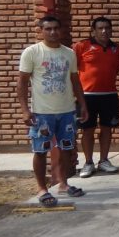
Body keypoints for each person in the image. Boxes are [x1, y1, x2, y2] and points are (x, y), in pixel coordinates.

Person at [18, 16, 89, 207]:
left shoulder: (69, 53)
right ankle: (42, 188)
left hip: (66, 111)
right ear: (41, 30)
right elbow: (22, 83)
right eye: (48, 29)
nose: (53, 32)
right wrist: (25, 110)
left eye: (56, 28)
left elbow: (75, 81)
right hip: (42, 114)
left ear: (61, 30)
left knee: (67, 148)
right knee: (40, 151)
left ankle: (63, 183)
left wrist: (82, 105)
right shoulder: (32, 52)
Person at [74, 16, 119, 178]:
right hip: (86, 96)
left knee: (107, 129)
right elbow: (72, 71)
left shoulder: (116, 48)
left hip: (109, 95)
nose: (104, 31)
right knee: (87, 130)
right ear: (93, 31)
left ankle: (104, 161)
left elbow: (115, 69)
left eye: (107, 28)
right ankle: (88, 162)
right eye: (100, 28)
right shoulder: (81, 46)